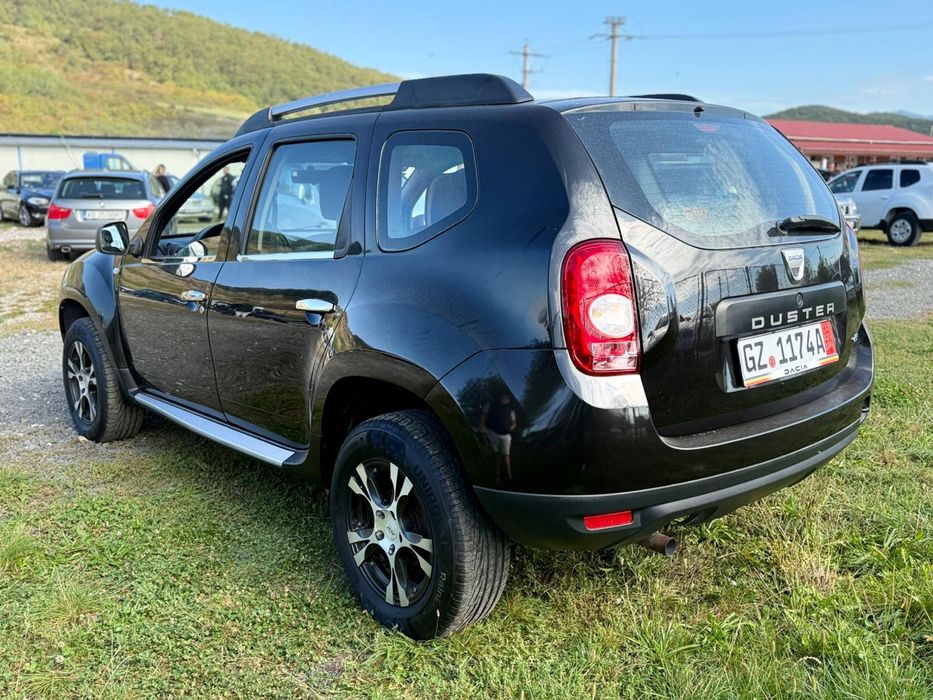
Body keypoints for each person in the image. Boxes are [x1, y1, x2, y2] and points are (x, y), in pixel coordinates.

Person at [480, 393, 517, 485]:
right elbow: (484, 416)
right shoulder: (491, 405)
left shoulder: (511, 409)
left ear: (509, 399)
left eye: (506, 398)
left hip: (506, 435)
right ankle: (496, 476)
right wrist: (482, 427)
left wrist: (511, 428)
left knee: (506, 455)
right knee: (496, 454)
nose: (505, 399)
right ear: (500, 397)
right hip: (493, 432)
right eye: (503, 397)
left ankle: (510, 477)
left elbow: (514, 422)